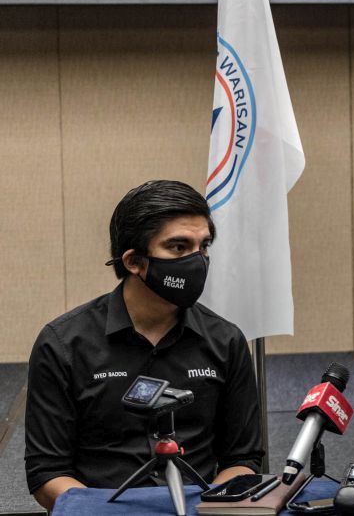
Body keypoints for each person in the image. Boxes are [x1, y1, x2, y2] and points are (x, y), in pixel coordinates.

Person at [25, 180, 264, 510]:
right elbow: (47, 473)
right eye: (178, 247)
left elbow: (243, 460)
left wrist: (209, 509)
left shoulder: (226, 341)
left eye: (204, 246)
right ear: (134, 261)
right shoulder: (63, 344)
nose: (197, 261)